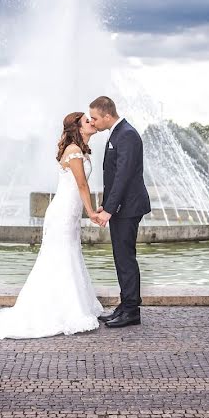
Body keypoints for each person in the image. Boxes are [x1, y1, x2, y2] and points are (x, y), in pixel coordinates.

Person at [0, 112, 104, 339]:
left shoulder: (79, 150)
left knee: (70, 255)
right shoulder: (73, 151)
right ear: (77, 128)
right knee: (61, 257)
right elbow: (82, 185)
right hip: (62, 213)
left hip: (69, 213)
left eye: (91, 120)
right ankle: (60, 310)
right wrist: (91, 212)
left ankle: (71, 305)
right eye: (87, 121)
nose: (92, 122)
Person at [89, 96, 151, 329]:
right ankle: (125, 305)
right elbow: (114, 176)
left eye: (95, 118)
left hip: (128, 208)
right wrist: (107, 205)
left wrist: (109, 211)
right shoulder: (117, 133)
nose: (92, 122)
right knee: (121, 257)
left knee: (125, 258)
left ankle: (132, 311)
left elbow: (124, 175)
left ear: (107, 115)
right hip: (120, 207)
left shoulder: (127, 134)